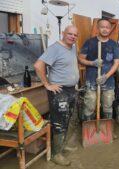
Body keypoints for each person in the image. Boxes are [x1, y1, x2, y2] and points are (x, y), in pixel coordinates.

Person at [34, 25, 79, 166]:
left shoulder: (72, 47)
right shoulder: (55, 48)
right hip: (60, 92)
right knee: (59, 123)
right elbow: (38, 65)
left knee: (67, 120)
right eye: (70, 34)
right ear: (62, 33)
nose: (72, 37)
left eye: (75, 35)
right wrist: (47, 84)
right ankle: (56, 154)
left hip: (71, 90)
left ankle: (61, 146)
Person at [78, 19, 119, 121]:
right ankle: (89, 128)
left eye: (107, 27)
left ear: (110, 29)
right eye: (102, 27)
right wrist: (92, 63)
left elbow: (116, 63)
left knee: (108, 105)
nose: (105, 29)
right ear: (98, 28)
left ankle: (107, 128)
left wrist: (106, 76)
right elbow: (80, 58)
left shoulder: (113, 44)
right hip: (92, 80)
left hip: (108, 81)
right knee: (90, 105)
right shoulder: (90, 42)